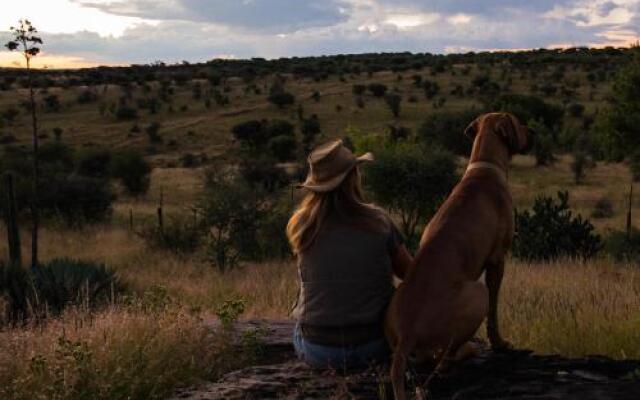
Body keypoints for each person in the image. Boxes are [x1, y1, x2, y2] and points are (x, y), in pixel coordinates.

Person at [287, 139, 413, 369]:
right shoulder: (379, 221)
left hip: (318, 351)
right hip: (374, 346)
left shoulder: (301, 226)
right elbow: (411, 275)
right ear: (354, 177)